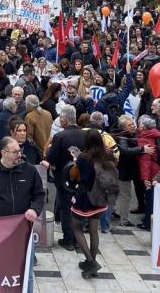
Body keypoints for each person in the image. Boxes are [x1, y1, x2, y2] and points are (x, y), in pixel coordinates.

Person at [0, 136, 45, 290]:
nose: (19, 155)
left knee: (25, 270)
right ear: (3, 153)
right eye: (15, 152)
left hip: (23, 230)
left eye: (19, 151)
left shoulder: (29, 170)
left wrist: (34, 209)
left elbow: (39, 195)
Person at [70, 129, 120, 279]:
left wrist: (75, 162)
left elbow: (83, 179)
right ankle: (90, 263)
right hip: (101, 198)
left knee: (76, 227)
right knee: (93, 230)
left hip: (86, 198)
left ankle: (91, 263)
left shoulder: (83, 158)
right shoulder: (106, 155)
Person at [46, 105, 87, 250]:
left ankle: (69, 239)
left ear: (64, 120)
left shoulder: (59, 136)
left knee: (65, 208)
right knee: (78, 207)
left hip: (64, 179)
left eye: (60, 118)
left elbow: (50, 157)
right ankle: (78, 239)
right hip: (82, 178)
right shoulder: (85, 135)